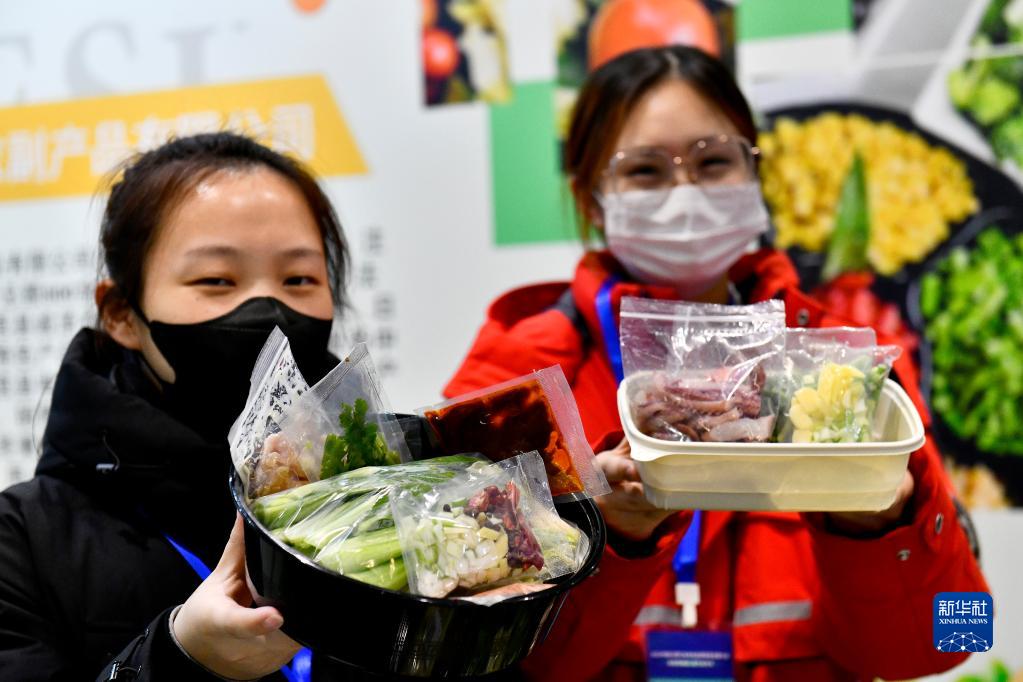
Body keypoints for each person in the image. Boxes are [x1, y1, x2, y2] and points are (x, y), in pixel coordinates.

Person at [445, 46, 989, 682]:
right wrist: (609, 540)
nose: (686, 195)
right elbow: (470, 653)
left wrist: (880, 525)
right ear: (590, 199)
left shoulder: (844, 367)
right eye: (645, 171)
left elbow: (956, 636)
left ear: (755, 172)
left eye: (713, 162)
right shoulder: (518, 383)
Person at [0, 132, 351, 680]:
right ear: (121, 313)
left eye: (299, 279)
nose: (269, 308)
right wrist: (178, 659)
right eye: (216, 280)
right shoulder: (23, 541)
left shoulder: (383, 496)